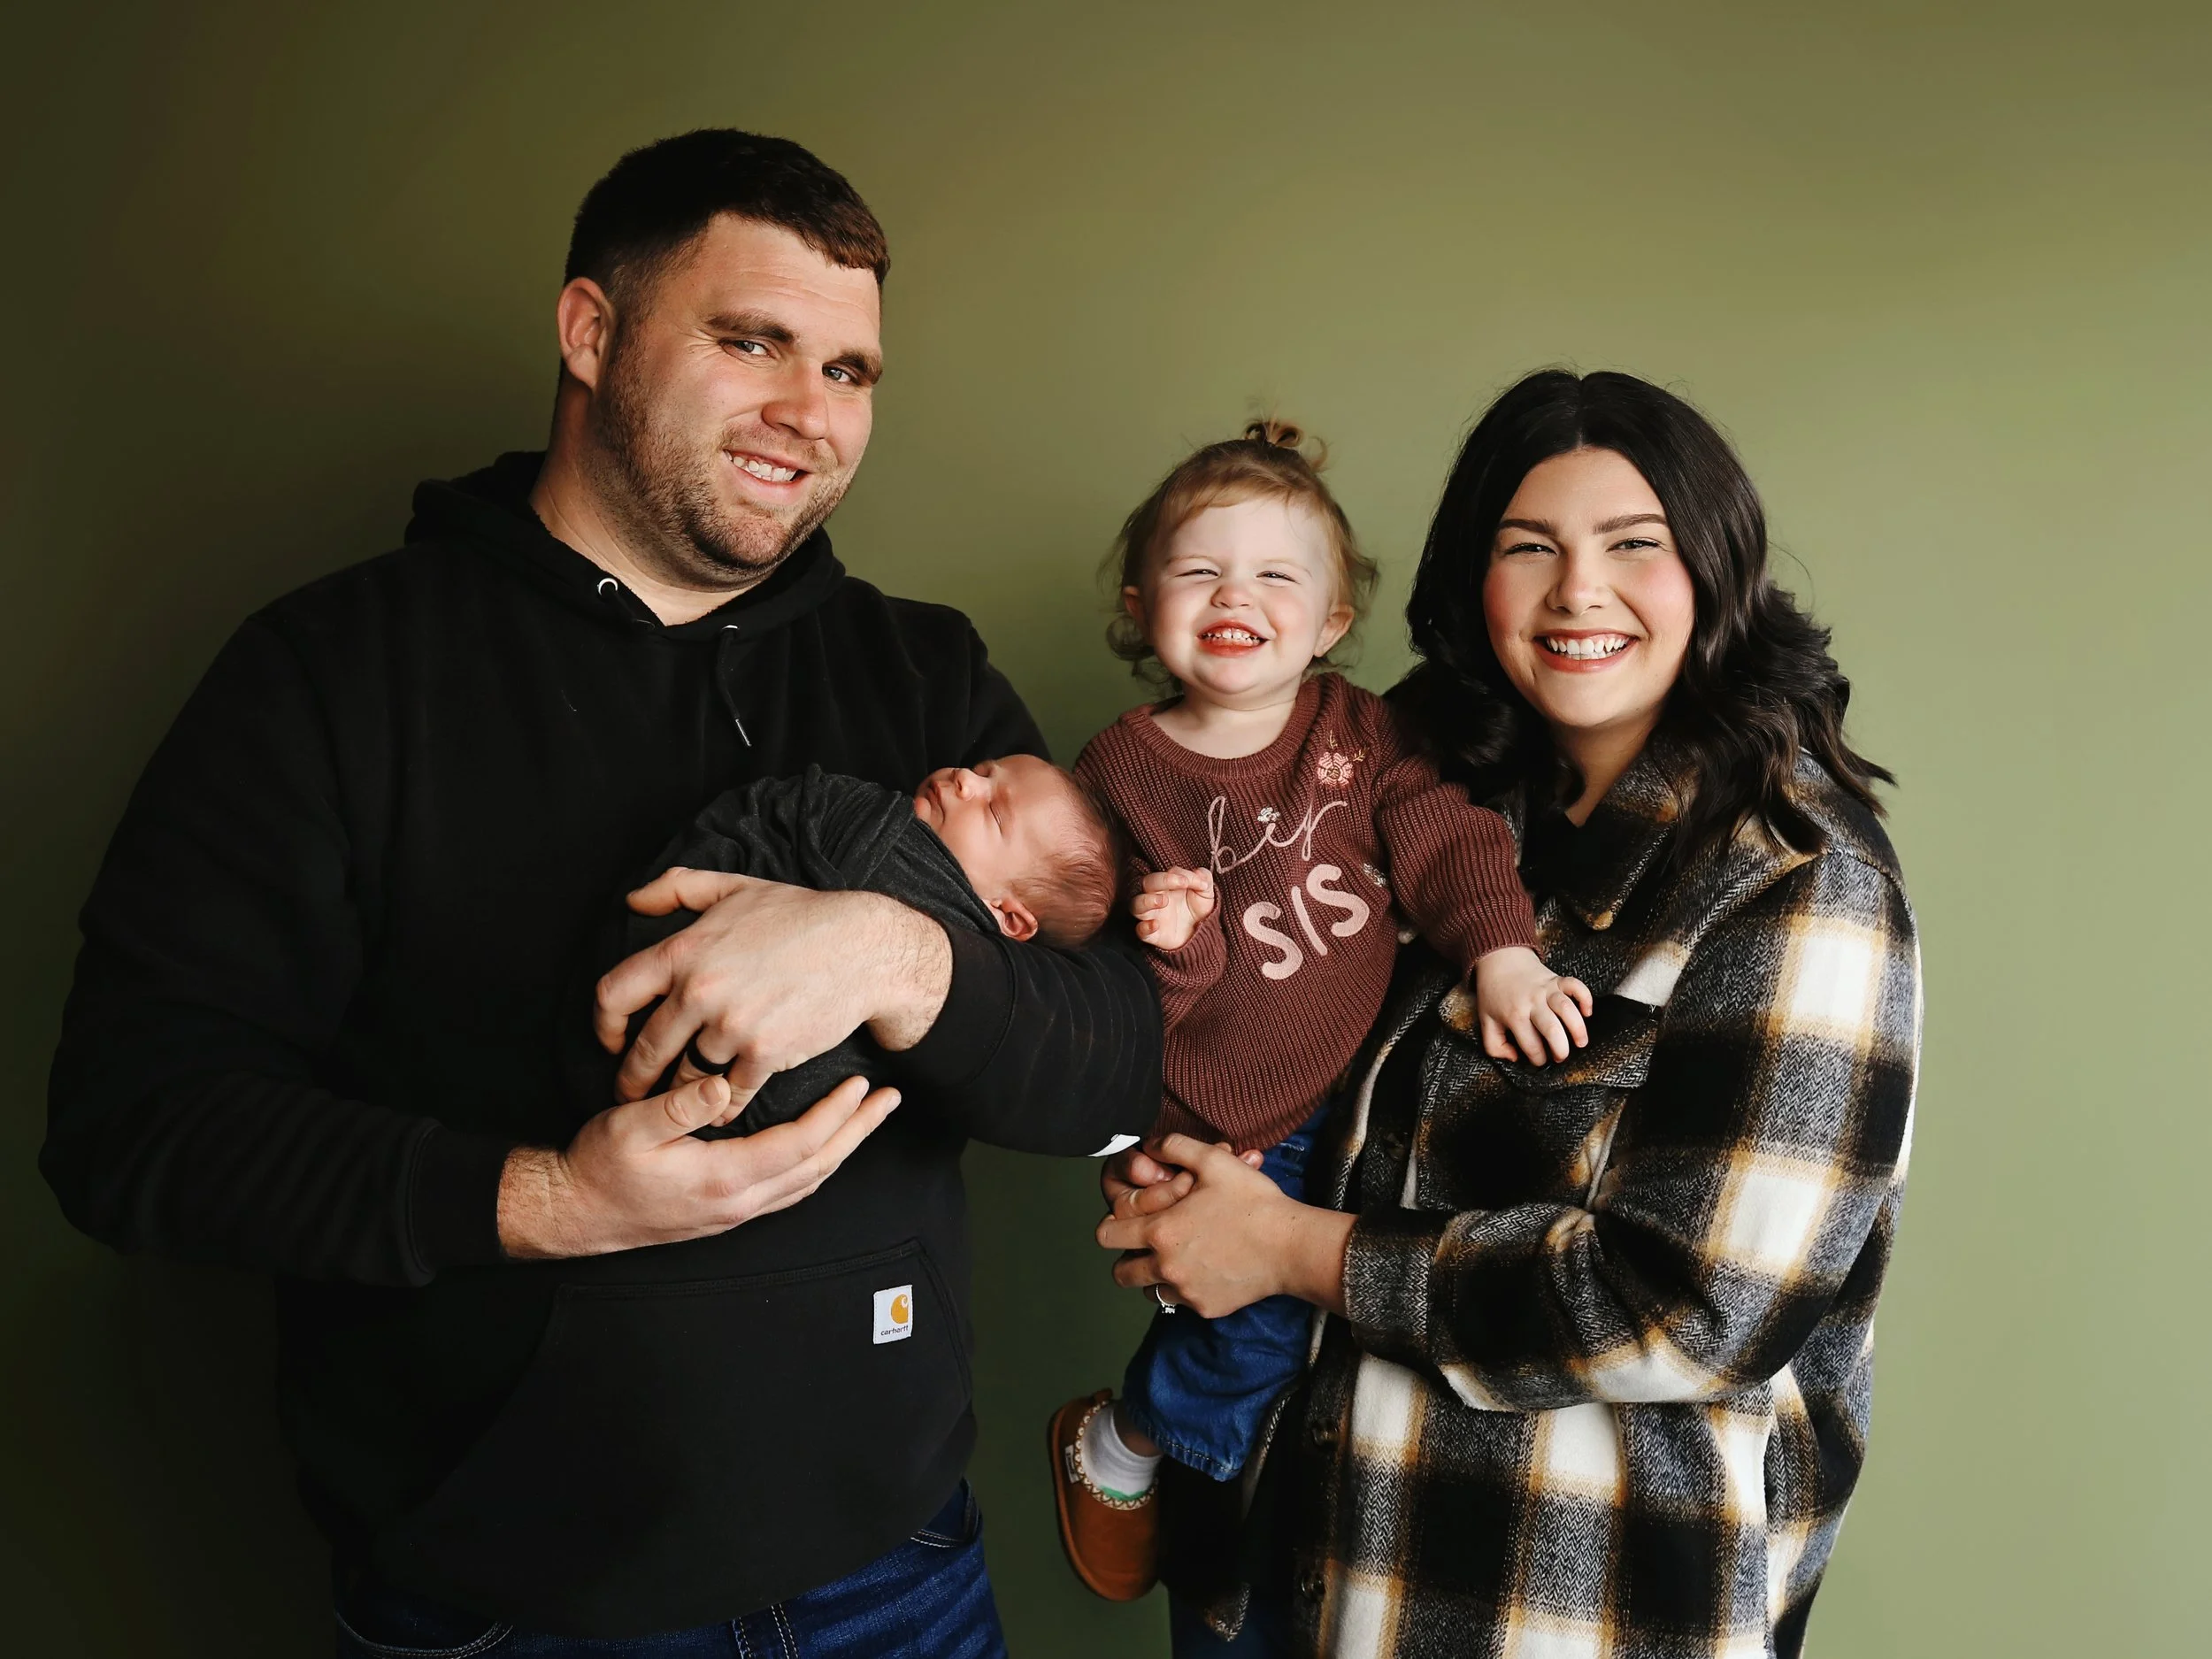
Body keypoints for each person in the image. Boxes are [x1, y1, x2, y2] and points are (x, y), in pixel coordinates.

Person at [41, 129, 1161, 1656]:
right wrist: (548, 1202)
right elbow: (135, 1129)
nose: (809, 411)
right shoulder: (331, 674)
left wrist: (894, 951)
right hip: (514, 1610)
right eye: (752, 341)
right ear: (589, 331)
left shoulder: (924, 677)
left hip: (900, 1573)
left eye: (849, 370)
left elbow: (1113, 1060)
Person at [1096, 371, 1920, 1657]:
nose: (1577, 590)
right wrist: (1186, 1156)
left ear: (1715, 570)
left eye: (1632, 544)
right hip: (1273, 1556)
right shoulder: (1431, 792)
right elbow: (1279, 1037)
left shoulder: (1798, 880)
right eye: (1529, 546)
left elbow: (1694, 1309)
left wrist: (1287, 1247)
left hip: (1534, 1606)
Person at [1047, 421, 1594, 1601]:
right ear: (1141, 605)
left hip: (1347, 1104)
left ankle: (1184, 1466)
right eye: (1199, 571)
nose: (1234, 596)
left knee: (1312, 1336)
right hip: (1198, 1110)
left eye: (1275, 575)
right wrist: (1166, 942)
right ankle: (1135, 1447)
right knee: (1249, 1336)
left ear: (1332, 620)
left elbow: (1445, 842)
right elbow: (1082, 974)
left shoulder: (1359, 731)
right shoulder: (1118, 772)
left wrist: (1502, 953)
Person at [572, 757, 1124, 1132]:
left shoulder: (896, 852)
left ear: (1009, 917)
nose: (965, 781)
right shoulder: (880, 826)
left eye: (994, 812)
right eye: (983, 770)